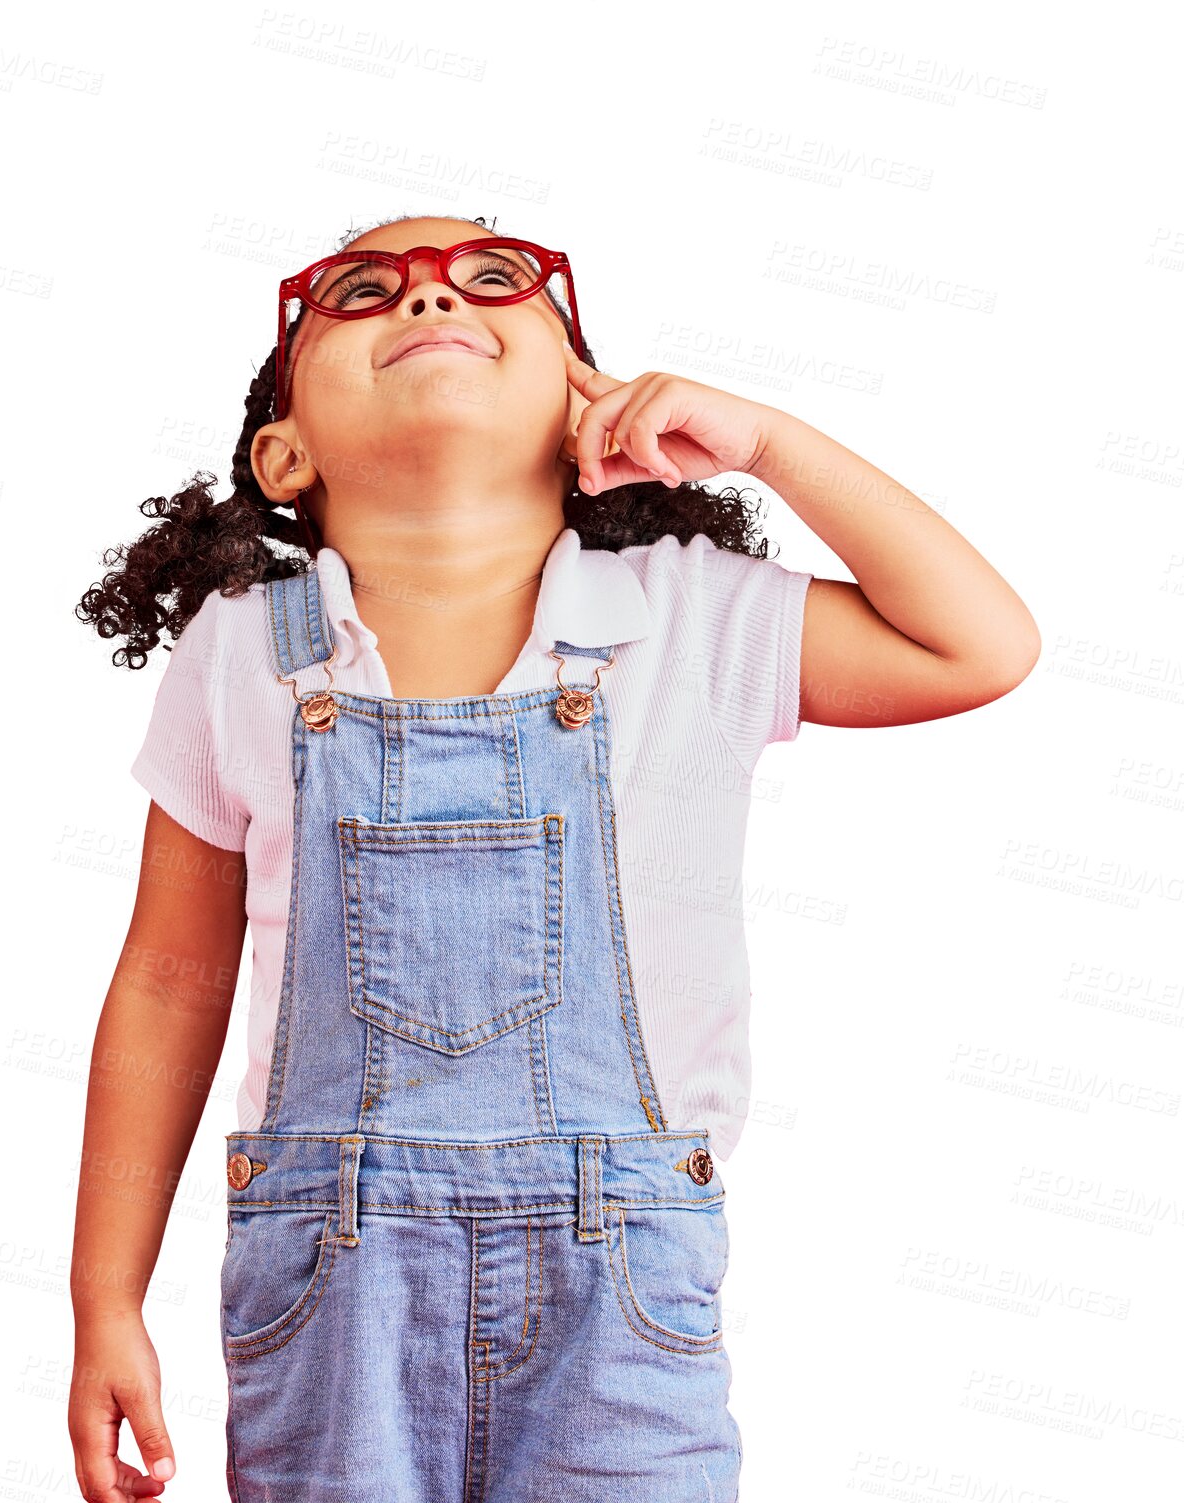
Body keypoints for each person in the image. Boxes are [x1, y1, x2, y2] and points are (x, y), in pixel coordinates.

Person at [66, 211, 1040, 1502]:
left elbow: (974, 649)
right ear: (281, 449)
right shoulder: (240, 649)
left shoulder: (689, 614)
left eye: (490, 281)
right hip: (328, 1285)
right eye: (361, 293)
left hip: (619, 1280)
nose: (427, 300)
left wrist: (769, 444)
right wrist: (104, 1299)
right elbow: (169, 983)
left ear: (588, 409)